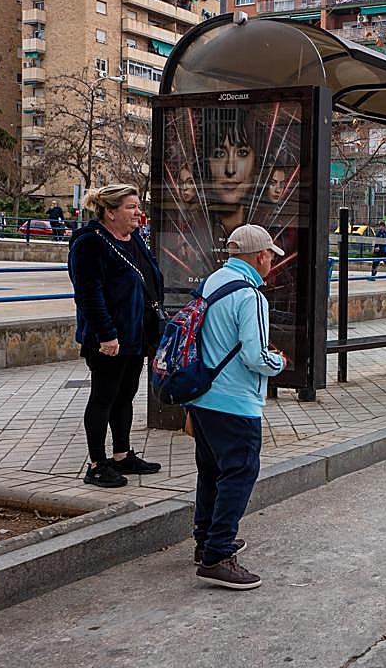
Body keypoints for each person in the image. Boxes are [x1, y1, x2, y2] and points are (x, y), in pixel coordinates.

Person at [187, 224, 286, 590]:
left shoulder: (213, 281)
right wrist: (279, 363)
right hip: (235, 400)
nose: (271, 264)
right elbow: (255, 355)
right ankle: (218, 554)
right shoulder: (250, 296)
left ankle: (205, 541)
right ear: (260, 256)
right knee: (240, 472)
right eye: (269, 258)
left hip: (203, 395)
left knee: (211, 471)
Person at [68, 184, 165, 488]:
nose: (138, 212)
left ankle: (122, 455)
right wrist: (106, 335)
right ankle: (97, 464)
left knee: (125, 396)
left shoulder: (132, 239)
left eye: (138, 206)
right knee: (103, 397)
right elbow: (88, 295)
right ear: (110, 212)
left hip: (135, 336)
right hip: (109, 338)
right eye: (131, 207)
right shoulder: (90, 243)